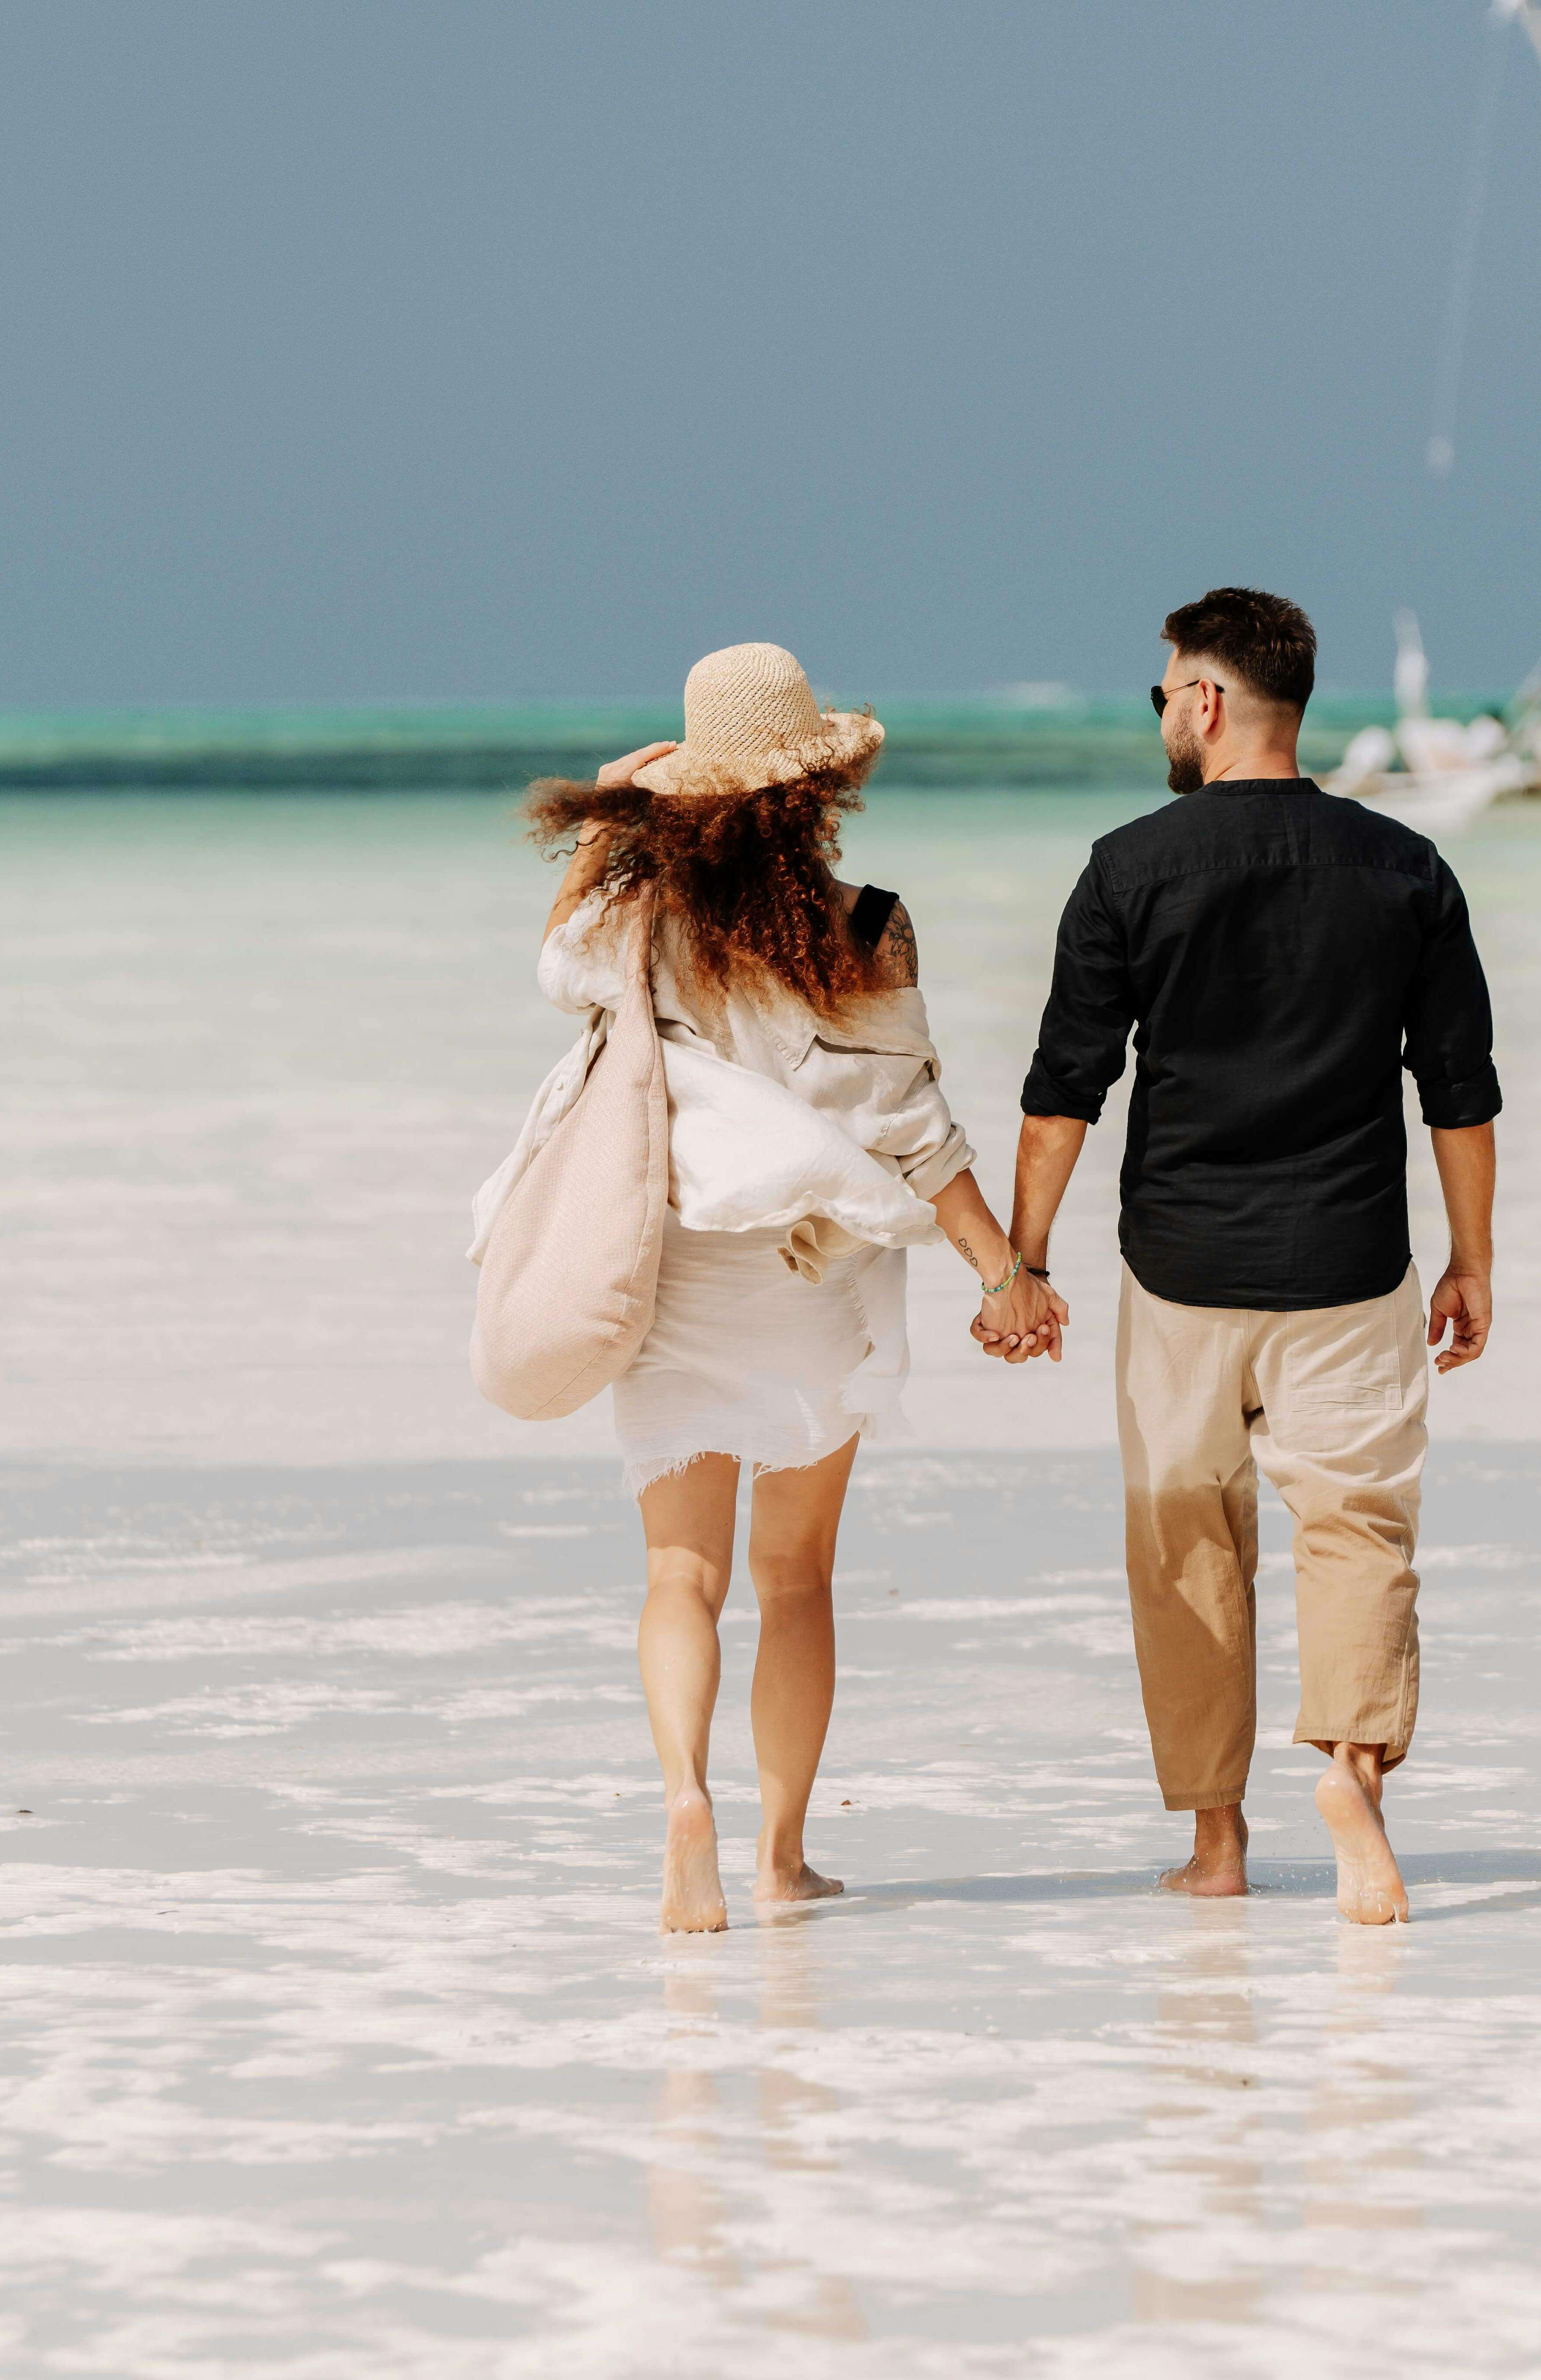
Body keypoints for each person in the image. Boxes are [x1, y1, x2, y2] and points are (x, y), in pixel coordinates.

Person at [514, 642, 1061, 1934]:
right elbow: (914, 1127)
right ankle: (779, 1857)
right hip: (819, 1271)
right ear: (819, 789)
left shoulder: (630, 926)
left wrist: (628, 803)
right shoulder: (868, 926)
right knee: (798, 1576)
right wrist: (1009, 1276)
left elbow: (555, 957)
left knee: (679, 1578)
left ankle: (684, 1804)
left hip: (680, 1266)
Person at [1002, 588, 1500, 1925]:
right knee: (1357, 1530)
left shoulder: (1127, 867)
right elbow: (1459, 1089)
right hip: (1350, 1261)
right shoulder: (1407, 869)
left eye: (1165, 691)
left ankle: (1219, 1843)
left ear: (1210, 702)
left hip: (1181, 1268)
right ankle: (1351, 1782)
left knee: (1187, 1540)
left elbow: (1067, 1090)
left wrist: (1022, 1264)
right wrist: (1474, 1262)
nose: (1162, 712)